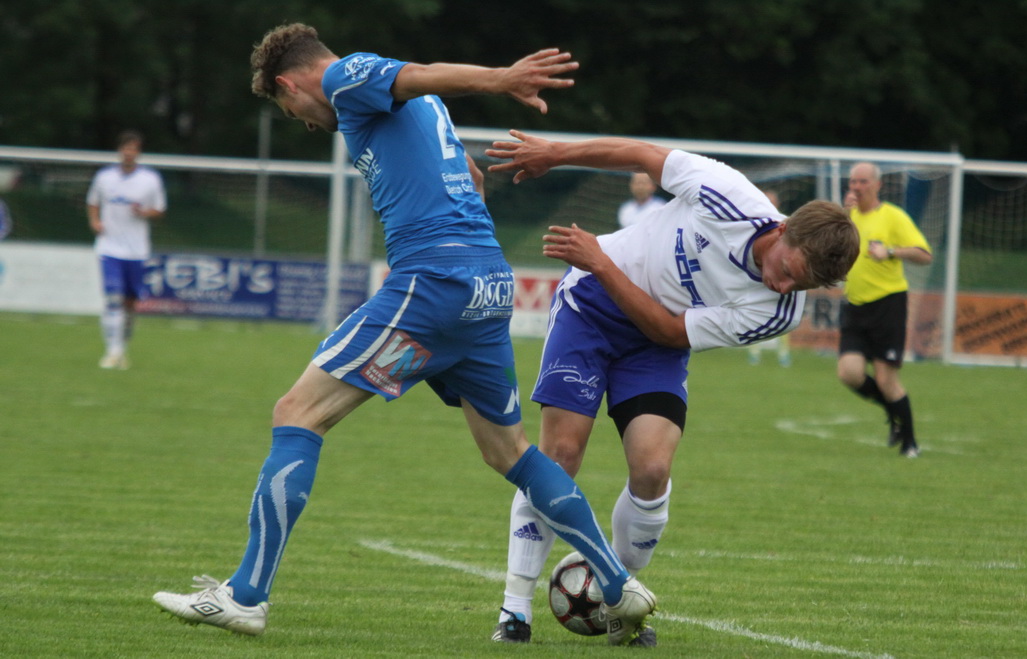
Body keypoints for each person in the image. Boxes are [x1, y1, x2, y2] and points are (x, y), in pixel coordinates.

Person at [152, 23, 656, 646]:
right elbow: (469, 176)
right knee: (511, 453)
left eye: (290, 110)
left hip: (434, 284)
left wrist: (501, 80)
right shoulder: (420, 110)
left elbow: (416, 71)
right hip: (486, 284)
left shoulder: (343, 77)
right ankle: (617, 586)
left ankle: (244, 597)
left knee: (296, 413)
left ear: (290, 82)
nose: (305, 123)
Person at [484, 130, 859, 644]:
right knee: (561, 456)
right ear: (783, 230)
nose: (784, 287)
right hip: (589, 306)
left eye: (802, 286)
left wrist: (602, 261)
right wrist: (556, 154)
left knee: (653, 469)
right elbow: (641, 155)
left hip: (655, 342)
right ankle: (515, 609)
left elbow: (667, 331)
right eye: (788, 270)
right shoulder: (727, 195)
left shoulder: (780, 312)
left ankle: (619, 597)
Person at [837, 162, 932, 458]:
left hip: (888, 305)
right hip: (855, 305)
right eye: (853, 181)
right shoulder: (848, 217)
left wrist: (889, 251)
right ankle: (893, 413)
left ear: (878, 185)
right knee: (849, 373)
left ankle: (910, 443)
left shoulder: (892, 216)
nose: (857, 187)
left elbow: (924, 254)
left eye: (863, 181)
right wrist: (842, 216)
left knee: (886, 379)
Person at [86, 130, 166, 369]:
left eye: (134, 148)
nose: (129, 152)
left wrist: (144, 212)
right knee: (113, 298)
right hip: (109, 247)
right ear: (119, 150)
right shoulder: (104, 177)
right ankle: (113, 351)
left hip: (137, 250)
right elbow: (92, 202)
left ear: (138, 152)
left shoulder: (150, 179)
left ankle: (122, 344)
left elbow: (159, 210)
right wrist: (94, 221)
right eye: (126, 148)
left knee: (130, 304)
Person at [747, 189, 792, 366]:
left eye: (772, 201)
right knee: (754, 311)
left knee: (783, 312)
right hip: (759, 277)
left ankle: (783, 353)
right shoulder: (755, 224)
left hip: (780, 277)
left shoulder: (784, 223)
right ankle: (754, 351)